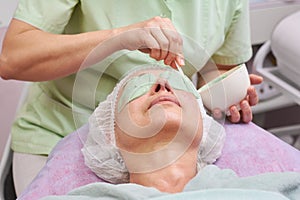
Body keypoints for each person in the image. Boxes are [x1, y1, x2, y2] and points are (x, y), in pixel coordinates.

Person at [0, 0, 263, 195]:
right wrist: (119, 38)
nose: (161, 86)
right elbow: (13, 58)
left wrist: (227, 93)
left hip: (168, 149)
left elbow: (218, 71)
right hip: (59, 127)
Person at [40, 65, 299, 200]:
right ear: (110, 135)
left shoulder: (278, 190)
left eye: (179, 86)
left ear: (203, 126)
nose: (162, 85)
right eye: (136, 88)